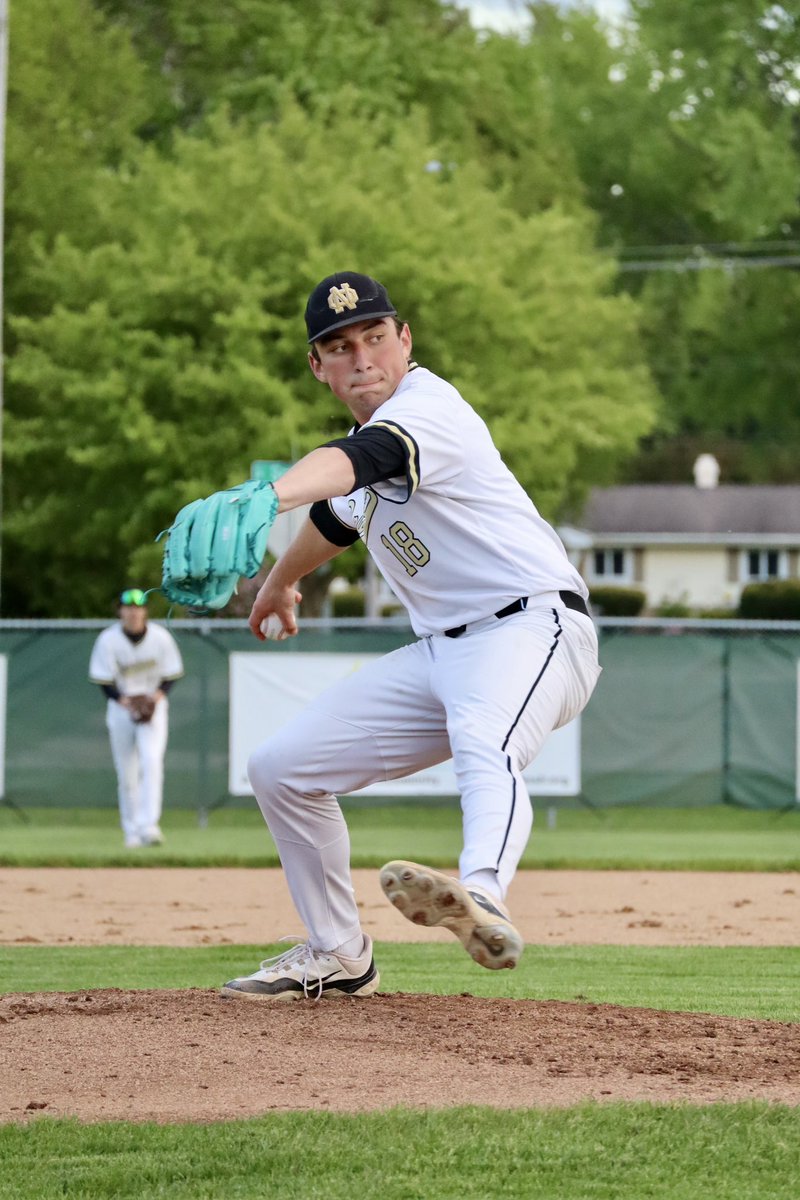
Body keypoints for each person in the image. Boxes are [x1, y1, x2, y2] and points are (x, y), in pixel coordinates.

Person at [221, 271, 601, 1001]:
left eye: (374, 336)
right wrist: (280, 581)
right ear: (317, 366)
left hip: (534, 628)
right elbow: (337, 516)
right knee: (280, 769)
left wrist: (268, 495)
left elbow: (361, 464)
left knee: (485, 737)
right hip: (441, 652)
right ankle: (338, 953)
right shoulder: (363, 447)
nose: (362, 357)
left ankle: (482, 891)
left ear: (404, 340)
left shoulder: (430, 410)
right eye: (340, 346)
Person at [89, 588, 184, 848]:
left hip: (153, 708)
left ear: (145, 611)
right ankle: (131, 831)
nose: (133, 612)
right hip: (122, 707)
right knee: (126, 772)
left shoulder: (160, 638)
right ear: (120, 611)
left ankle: (149, 826)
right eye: (128, 607)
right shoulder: (108, 640)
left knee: (151, 762)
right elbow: (104, 681)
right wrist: (128, 703)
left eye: (138, 607)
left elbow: (171, 675)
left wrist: (153, 700)